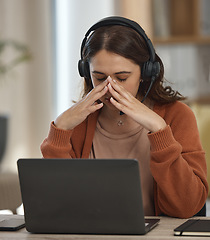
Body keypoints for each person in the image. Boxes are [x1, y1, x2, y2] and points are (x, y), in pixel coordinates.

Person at [41, 16, 208, 218]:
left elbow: (187, 206)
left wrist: (159, 129)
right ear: (86, 72)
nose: (110, 88)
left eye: (122, 78)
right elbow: (58, 207)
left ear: (146, 72)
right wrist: (60, 129)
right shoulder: (78, 122)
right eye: (100, 77)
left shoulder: (178, 115)